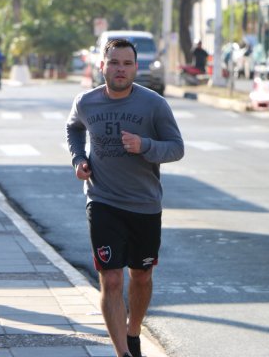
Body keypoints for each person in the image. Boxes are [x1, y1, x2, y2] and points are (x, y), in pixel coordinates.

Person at [65, 38, 184, 357]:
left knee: (141, 276)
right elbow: (73, 128)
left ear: (136, 67)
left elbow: (176, 148)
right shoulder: (86, 102)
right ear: (101, 66)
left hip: (144, 204)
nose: (120, 69)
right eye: (114, 63)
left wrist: (145, 145)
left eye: (127, 63)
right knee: (112, 279)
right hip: (102, 201)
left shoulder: (154, 104)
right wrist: (79, 159)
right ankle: (123, 353)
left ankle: (133, 331)